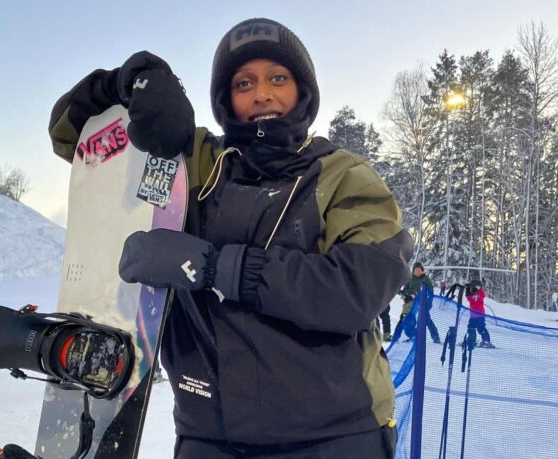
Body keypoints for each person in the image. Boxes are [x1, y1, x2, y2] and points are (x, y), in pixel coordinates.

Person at [47, 18, 413, 458]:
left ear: (303, 90)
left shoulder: (343, 175)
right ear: (225, 98)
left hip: (336, 435)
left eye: (278, 78)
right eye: (244, 83)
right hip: (209, 437)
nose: (262, 93)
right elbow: (74, 139)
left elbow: (358, 288)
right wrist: (129, 85)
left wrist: (213, 267)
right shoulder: (194, 164)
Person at [395, 261, 440, 343]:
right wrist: (407, 294)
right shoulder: (409, 278)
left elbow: (430, 291)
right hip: (410, 304)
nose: (418, 271)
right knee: (405, 318)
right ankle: (399, 337)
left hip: (422, 304)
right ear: (413, 270)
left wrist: (429, 302)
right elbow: (405, 290)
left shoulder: (425, 279)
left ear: (422, 270)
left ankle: (435, 336)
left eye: (419, 270)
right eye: (416, 270)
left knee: (427, 319)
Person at [466, 279, 493, 348]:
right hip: (473, 316)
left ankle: (486, 341)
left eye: (475, 287)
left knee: (481, 328)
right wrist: (468, 290)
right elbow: (470, 299)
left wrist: (468, 293)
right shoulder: (474, 293)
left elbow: (472, 299)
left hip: (479, 315)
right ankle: (471, 340)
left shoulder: (480, 293)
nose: (473, 289)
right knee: (470, 328)